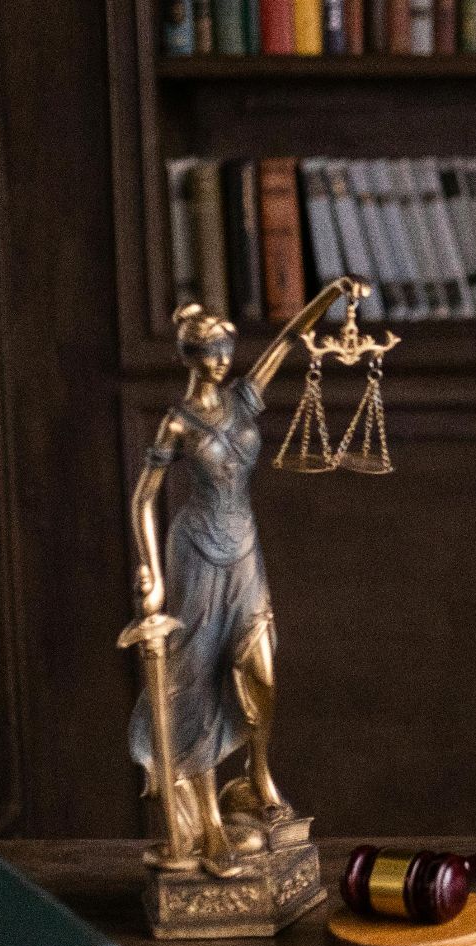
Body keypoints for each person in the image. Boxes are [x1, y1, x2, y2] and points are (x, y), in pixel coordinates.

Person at [121, 281, 350, 876]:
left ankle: (256, 776)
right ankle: (208, 819)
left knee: (260, 669)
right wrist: (149, 570)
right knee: (194, 673)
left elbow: (287, 341)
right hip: (194, 550)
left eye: (227, 349)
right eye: (213, 351)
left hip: (244, 544)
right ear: (191, 357)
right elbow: (145, 497)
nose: (224, 360)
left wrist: (330, 295)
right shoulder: (176, 422)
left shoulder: (245, 400)